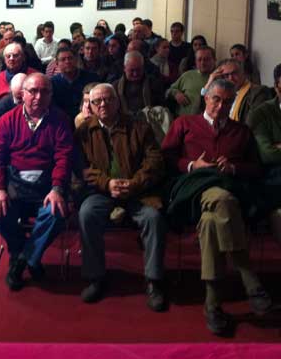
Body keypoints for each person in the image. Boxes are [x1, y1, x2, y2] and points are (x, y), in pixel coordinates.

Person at [161, 79, 272, 336]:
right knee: (221, 199)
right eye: (216, 99)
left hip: (229, 193)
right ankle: (249, 278)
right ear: (206, 99)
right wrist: (191, 165)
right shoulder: (184, 124)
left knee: (213, 219)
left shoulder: (241, 131)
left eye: (227, 102)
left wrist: (233, 168)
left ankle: (212, 304)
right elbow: (166, 159)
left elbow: (256, 168)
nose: (221, 106)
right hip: (191, 193)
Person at [75, 83, 167, 311]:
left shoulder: (139, 127)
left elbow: (155, 161)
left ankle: (154, 281)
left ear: (118, 101)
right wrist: (107, 183)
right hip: (102, 191)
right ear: (91, 106)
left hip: (138, 191)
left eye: (108, 99)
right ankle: (96, 277)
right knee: (87, 214)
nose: (103, 104)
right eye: (97, 102)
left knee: (153, 219)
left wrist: (133, 184)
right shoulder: (84, 132)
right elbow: (82, 168)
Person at [0, 73, 72, 291]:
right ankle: (26, 254)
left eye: (44, 91)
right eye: (33, 91)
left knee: (57, 213)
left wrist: (57, 189)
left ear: (51, 95)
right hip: (15, 184)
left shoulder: (60, 119)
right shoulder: (8, 120)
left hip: (46, 185)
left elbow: (64, 157)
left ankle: (21, 259)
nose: (38, 96)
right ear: (22, 94)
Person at [246, 63, 281, 245]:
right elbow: (268, 154)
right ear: (276, 86)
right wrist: (275, 148)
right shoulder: (262, 113)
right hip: (271, 171)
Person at [200, 59, 271, 124]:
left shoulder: (258, 92)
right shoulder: (218, 94)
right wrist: (209, 83)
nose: (231, 78)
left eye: (234, 73)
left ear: (243, 73)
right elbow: (196, 114)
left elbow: (252, 123)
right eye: (226, 75)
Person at [51, 47, 99, 122]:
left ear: (76, 60)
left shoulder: (92, 78)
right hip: (62, 121)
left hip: (88, 118)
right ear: (57, 63)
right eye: (63, 59)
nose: (67, 62)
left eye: (70, 58)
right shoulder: (52, 83)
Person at [0, 43, 36, 117]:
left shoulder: (35, 76)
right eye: (8, 56)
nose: (11, 58)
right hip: (3, 118)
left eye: (15, 55)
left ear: (23, 57)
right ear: (5, 59)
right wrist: (5, 107)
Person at [166, 46, 215, 117]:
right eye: (199, 59)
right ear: (195, 61)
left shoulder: (219, 78)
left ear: (214, 60)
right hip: (183, 119)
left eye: (206, 59)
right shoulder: (187, 75)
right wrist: (176, 93)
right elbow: (169, 91)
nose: (202, 62)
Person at [113, 51, 165, 118]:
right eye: (132, 70)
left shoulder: (154, 83)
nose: (135, 74)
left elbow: (161, 107)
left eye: (138, 70)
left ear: (143, 67)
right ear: (124, 68)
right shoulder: (115, 86)